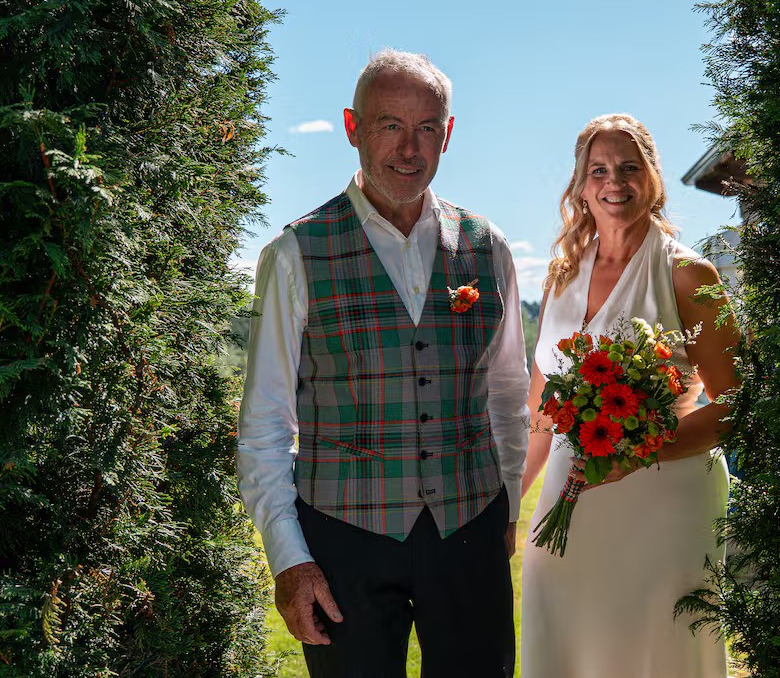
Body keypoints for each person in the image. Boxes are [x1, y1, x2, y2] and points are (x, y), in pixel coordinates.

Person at [238, 50, 530, 678]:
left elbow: (507, 392)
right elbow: (265, 422)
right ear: (352, 128)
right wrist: (290, 558)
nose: (409, 147)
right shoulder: (294, 253)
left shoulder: (488, 246)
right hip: (345, 537)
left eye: (427, 127)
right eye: (389, 125)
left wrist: (505, 511)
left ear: (447, 134)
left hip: (469, 524)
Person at [520, 113, 740, 677]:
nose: (613, 182)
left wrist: (641, 450)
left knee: (653, 654)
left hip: (665, 504)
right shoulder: (560, 275)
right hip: (568, 502)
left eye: (628, 167)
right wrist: (509, 500)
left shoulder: (690, 274)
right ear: (580, 185)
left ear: (653, 178)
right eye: (598, 169)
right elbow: (542, 405)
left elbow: (738, 406)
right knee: (559, 639)